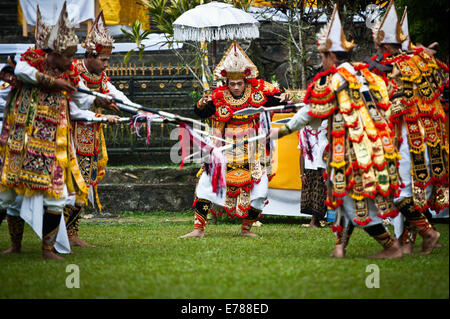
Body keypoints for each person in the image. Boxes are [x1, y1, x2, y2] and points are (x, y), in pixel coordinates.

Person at [269, 5, 403, 259]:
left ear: (330, 55)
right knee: (343, 198)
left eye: (322, 55)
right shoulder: (364, 74)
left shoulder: (332, 80)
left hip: (352, 149)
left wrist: (281, 131)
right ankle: (340, 247)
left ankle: (391, 246)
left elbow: (310, 113)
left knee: (353, 202)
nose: (321, 60)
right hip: (375, 145)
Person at [0, 3, 93, 260]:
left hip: (52, 145)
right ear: (52, 52)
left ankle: (48, 250)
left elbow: (82, 99)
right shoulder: (30, 61)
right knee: (5, 197)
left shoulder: (70, 72)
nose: (70, 62)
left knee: (57, 198)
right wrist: (53, 82)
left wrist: (100, 102)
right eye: (66, 56)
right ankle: (15, 245)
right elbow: (18, 71)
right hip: (21, 143)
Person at [180, 41, 289, 238]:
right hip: (224, 148)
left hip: (252, 149)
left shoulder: (258, 91)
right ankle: (198, 229)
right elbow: (200, 113)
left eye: (240, 83)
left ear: (246, 81)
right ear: (227, 82)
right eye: (233, 84)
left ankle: (246, 229)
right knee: (205, 186)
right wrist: (202, 104)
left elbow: (279, 100)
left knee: (261, 190)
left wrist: (286, 98)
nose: (237, 87)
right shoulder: (218, 95)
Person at [365, 1, 446, 254]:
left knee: (400, 191)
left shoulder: (396, 67)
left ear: (387, 45)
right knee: (414, 188)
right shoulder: (423, 60)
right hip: (433, 137)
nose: (377, 52)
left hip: (409, 138)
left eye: (379, 47)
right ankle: (407, 240)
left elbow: (392, 104)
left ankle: (424, 234)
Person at [63, 10, 123, 247]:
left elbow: (114, 93)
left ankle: (72, 233)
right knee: (70, 183)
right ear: (89, 55)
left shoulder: (100, 75)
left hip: (89, 136)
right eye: (103, 59)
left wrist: (136, 110)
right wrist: (99, 108)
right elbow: (75, 105)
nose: (106, 64)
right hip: (67, 135)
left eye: (108, 60)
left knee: (84, 183)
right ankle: (61, 233)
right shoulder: (74, 72)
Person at [298, 120, 328, 227]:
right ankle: (313, 221)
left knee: (321, 194)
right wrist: (302, 174)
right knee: (311, 195)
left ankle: (316, 221)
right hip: (309, 166)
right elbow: (302, 152)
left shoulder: (325, 125)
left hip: (323, 165)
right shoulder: (303, 130)